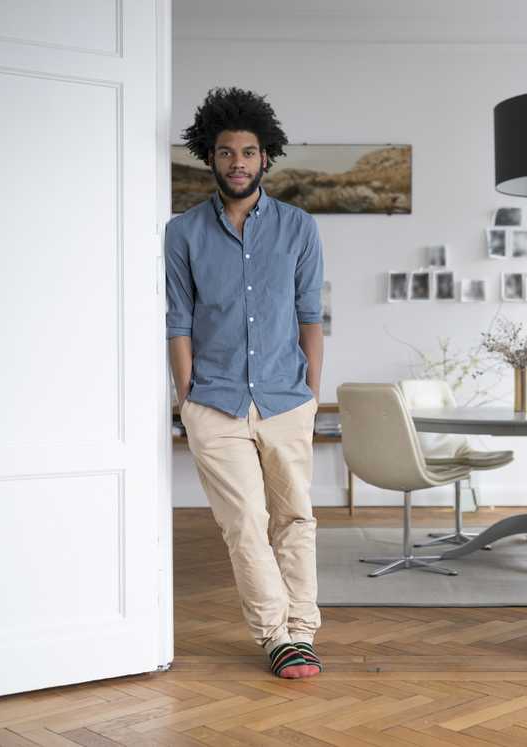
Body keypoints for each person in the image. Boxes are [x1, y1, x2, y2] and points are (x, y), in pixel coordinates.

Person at [165, 87, 325, 679]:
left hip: (286, 398)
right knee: (244, 523)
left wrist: (310, 389)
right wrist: (186, 398)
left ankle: (302, 629)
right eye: (227, 151)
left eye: (249, 152)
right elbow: (177, 318)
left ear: (266, 157)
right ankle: (275, 635)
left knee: (295, 518)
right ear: (210, 156)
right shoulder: (181, 232)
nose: (238, 162)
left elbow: (310, 315)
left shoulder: (299, 227)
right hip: (214, 402)